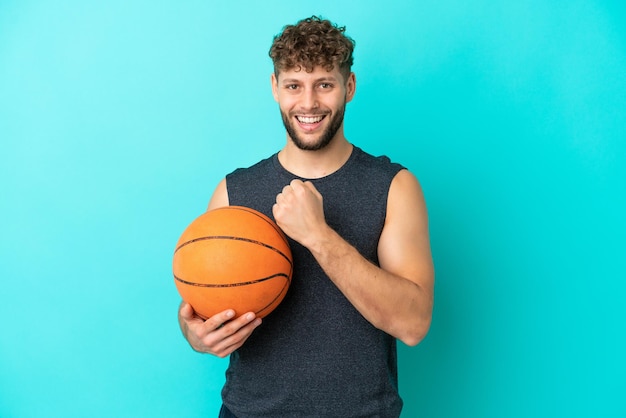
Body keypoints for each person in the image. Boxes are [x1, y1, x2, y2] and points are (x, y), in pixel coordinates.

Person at [178, 15, 434, 418]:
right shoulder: (234, 192)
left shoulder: (394, 187)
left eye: (324, 85)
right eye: (294, 85)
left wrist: (318, 235)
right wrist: (196, 335)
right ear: (275, 88)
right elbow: (200, 311)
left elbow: (414, 323)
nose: (309, 103)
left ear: (348, 88)